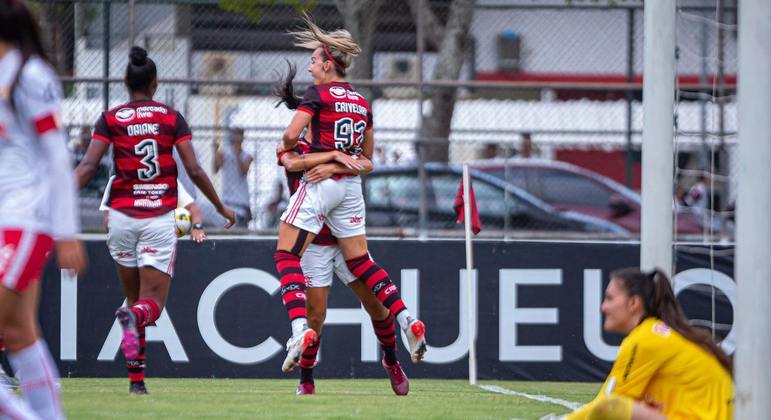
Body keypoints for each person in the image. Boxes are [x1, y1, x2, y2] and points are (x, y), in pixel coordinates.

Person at [75, 46, 235, 395]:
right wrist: (220, 207)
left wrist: (52, 201)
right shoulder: (171, 117)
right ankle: (136, 360)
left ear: (125, 83)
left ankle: (136, 384)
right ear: (155, 83)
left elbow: (88, 167)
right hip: (157, 218)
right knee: (151, 307)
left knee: (133, 303)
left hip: (119, 217)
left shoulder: (110, 118)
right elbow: (193, 168)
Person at [274, 14, 427, 375]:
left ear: (328, 64)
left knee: (284, 255)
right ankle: (407, 320)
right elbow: (368, 161)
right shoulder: (361, 101)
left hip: (324, 191)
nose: (310, 67)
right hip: (350, 190)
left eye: (314, 60)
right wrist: (337, 160)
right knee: (362, 263)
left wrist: (327, 159)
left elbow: (288, 142)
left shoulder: (318, 97)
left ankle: (298, 334)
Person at [0, 1, 87, 417]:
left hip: (24, 221)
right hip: (5, 221)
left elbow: (56, 156)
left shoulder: (29, 74)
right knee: (18, 334)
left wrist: (66, 231)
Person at [564, 267, 733, 420]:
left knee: (613, 408)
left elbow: (607, 403)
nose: (603, 307)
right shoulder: (661, 333)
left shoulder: (646, 338)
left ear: (633, 303)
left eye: (609, 298)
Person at [213, 126, 253, 227]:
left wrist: (237, 153)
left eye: (238, 135)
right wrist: (215, 152)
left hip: (241, 202)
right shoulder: (225, 153)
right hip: (227, 202)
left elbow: (242, 171)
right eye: (234, 135)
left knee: (242, 234)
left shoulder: (247, 156)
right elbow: (215, 169)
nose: (236, 138)